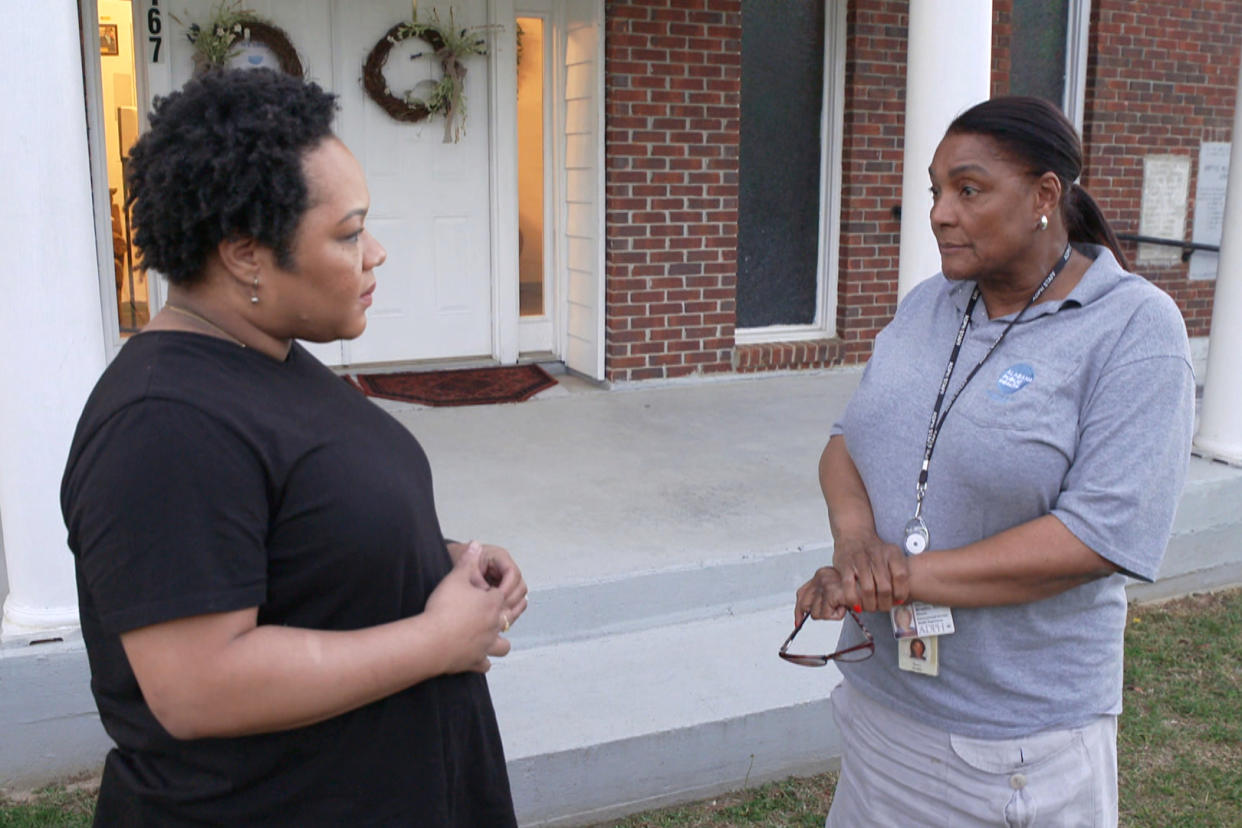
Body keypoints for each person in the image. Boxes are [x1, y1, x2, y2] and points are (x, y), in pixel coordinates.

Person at [61, 69, 526, 826]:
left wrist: (435, 558)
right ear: (246, 254)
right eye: (347, 234)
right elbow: (197, 685)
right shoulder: (162, 423)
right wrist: (435, 639)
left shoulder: (269, 356)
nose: (375, 253)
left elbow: (292, 536)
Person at [794, 96, 1194, 826]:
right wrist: (855, 544)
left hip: (1015, 750)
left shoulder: (1133, 327)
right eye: (935, 191)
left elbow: (1095, 539)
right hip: (882, 708)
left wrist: (899, 578)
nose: (941, 213)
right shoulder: (930, 304)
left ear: (1045, 196)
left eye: (968, 189)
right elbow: (847, 438)